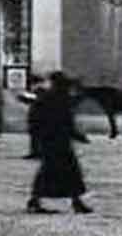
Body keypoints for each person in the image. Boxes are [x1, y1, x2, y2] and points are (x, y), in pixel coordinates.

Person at [27, 71, 92, 214]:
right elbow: (65, 120)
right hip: (56, 141)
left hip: (54, 140)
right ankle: (75, 202)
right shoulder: (57, 98)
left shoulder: (51, 97)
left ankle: (37, 200)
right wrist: (77, 135)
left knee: (54, 171)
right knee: (66, 171)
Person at [19, 74, 48, 159]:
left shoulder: (41, 90)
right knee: (34, 135)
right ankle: (35, 152)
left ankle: (38, 152)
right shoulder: (37, 91)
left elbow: (38, 101)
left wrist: (27, 98)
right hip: (36, 116)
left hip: (40, 116)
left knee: (38, 135)